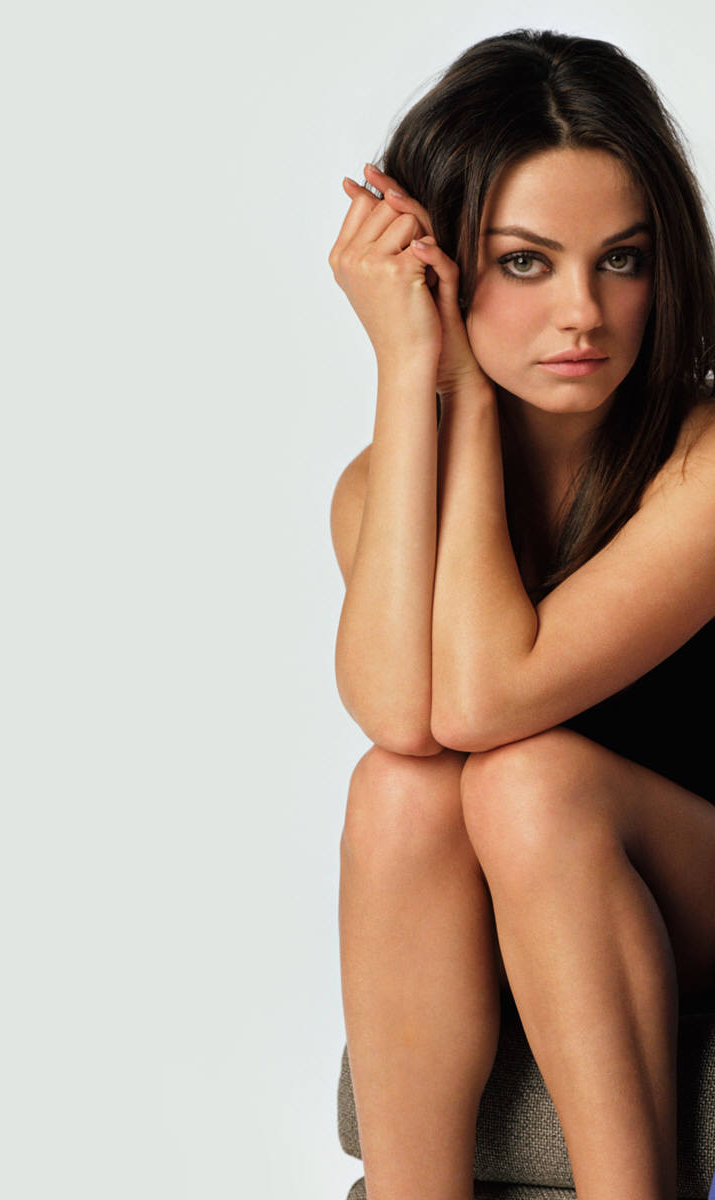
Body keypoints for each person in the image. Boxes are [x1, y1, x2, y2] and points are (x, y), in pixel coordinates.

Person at [328, 28, 715, 1200]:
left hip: (690, 872)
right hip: (539, 891)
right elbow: (405, 720)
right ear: (443, 269)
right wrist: (424, 382)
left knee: (526, 778)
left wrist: (455, 390)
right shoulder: (379, 486)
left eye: (623, 259)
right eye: (527, 264)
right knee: (399, 791)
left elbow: (484, 700)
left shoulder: (703, 459)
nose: (584, 312)